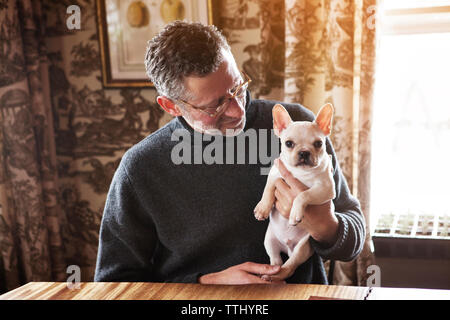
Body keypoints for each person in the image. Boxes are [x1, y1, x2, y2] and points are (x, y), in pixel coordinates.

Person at [94, 21, 365, 284]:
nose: (237, 111)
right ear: (171, 106)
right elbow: (114, 283)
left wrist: (326, 226)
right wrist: (205, 284)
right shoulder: (141, 169)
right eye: (216, 107)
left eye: (237, 88)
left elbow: (353, 235)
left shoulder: (298, 128)